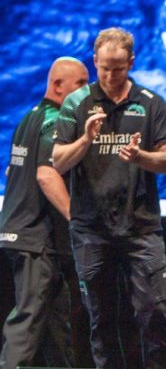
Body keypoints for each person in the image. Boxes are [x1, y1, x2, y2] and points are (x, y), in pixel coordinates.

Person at [53, 27, 166, 367]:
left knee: (155, 311)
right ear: (95, 62)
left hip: (141, 228)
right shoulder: (77, 103)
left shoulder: (151, 103)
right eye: (104, 68)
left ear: (131, 63)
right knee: (101, 317)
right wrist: (86, 139)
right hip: (91, 230)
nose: (110, 75)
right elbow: (58, 161)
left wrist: (141, 157)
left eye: (118, 68)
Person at [0, 57, 89, 368]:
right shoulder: (55, 120)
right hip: (37, 239)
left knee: (56, 329)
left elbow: (12, 171)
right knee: (28, 322)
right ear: (58, 85)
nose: (87, 91)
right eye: (81, 83)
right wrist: (79, 221)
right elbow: (46, 175)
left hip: (24, 234)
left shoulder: (28, 119)